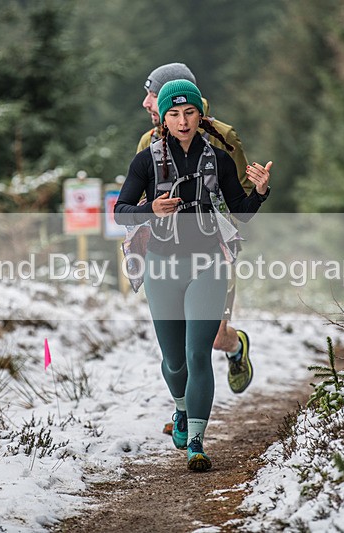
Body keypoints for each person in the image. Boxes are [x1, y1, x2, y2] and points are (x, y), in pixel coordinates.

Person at [115, 79, 272, 471]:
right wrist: (151, 209)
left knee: (197, 353)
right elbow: (120, 212)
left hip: (208, 264)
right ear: (163, 120)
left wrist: (261, 192)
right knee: (173, 361)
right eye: (173, 114)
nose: (183, 121)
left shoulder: (217, 159)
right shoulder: (145, 161)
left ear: (200, 115)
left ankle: (197, 443)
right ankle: (182, 409)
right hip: (161, 265)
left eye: (189, 113)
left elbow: (241, 212)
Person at [139, 63, 255, 400]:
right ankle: (185, 411)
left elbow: (241, 198)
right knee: (180, 343)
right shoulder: (148, 142)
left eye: (151, 95)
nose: (146, 103)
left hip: (213, 252)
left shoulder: (224, 136)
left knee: (213, 338)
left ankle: (235, 346)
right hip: (167, 256)